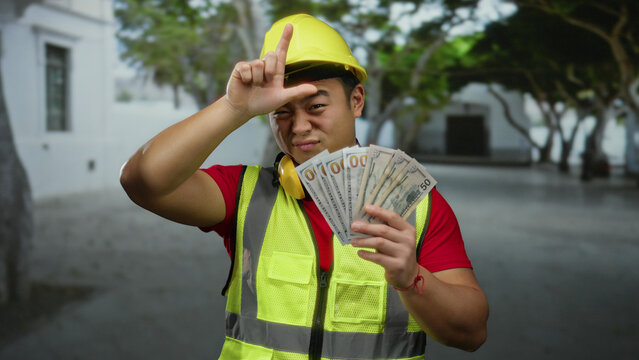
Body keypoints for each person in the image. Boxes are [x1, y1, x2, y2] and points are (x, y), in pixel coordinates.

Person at [120, 13, 488, 359]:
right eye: (283, 112)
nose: (298, 128)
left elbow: (471, 332)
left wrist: (413, 279)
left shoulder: (417, 206)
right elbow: (143, 180)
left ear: (356, 100)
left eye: (315, 107)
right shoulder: (243, 192)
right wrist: (235, 107)